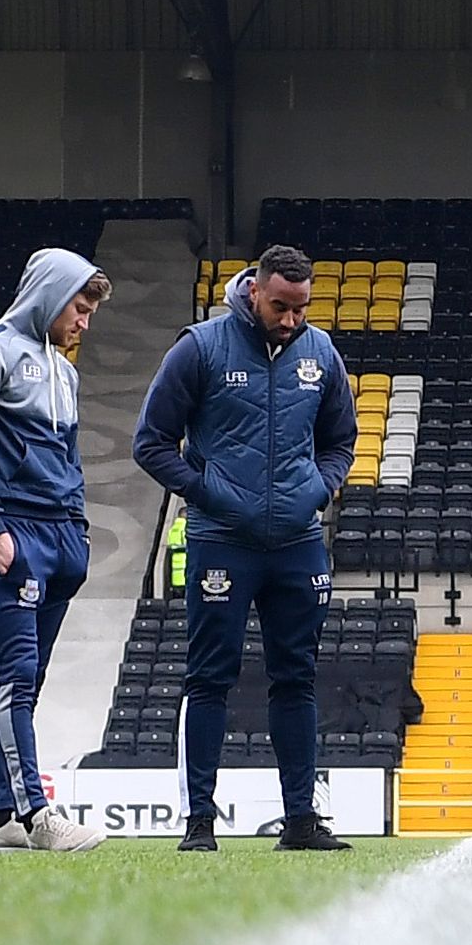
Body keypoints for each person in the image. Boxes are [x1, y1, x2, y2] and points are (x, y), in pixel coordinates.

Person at [134, 244, 354, 852]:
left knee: (297, 678)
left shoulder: (320, 353)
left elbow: (341, 440)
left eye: (301, 308)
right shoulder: (200, 348)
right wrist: (209, 493)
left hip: (298, 542)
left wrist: (317, 488)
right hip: (221, 541)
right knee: (209, 678)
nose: (291, 320)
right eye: (280, 306)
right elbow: (150, 442)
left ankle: (301, 821)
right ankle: (199, 823)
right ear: (254, 290)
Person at [0, 246, 112, 854]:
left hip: (61, 535)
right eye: (79, 308)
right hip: (11, 529)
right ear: (50, 295)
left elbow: (69, 457)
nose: (84, 323)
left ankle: (0, 821)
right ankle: (39, 815)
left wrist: (79, 530)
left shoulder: (65, 373)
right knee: (15, 678)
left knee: (27, 682)